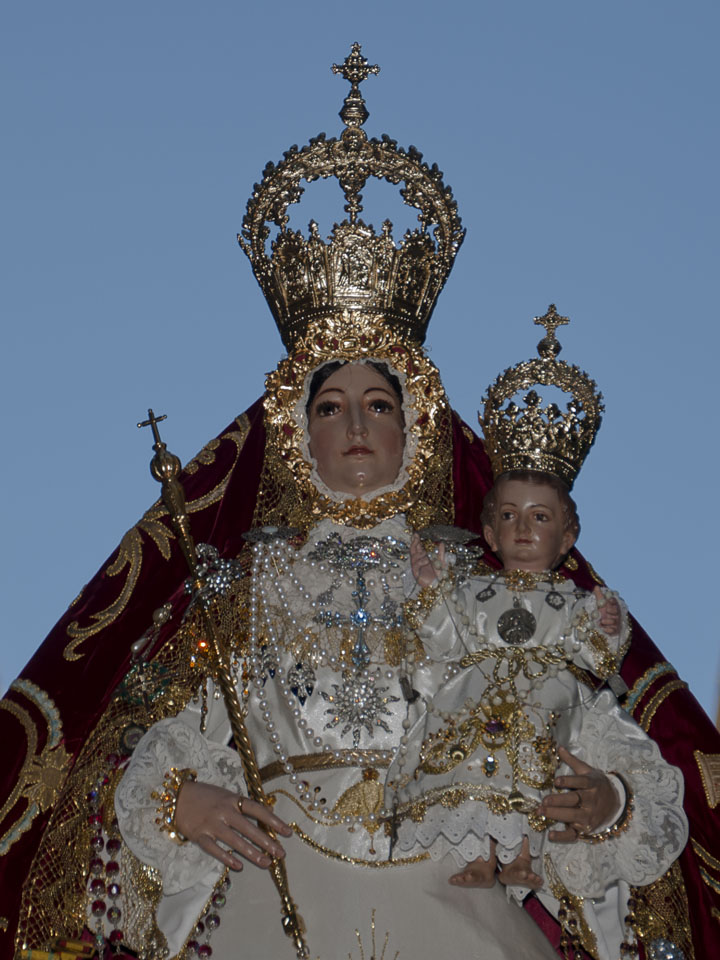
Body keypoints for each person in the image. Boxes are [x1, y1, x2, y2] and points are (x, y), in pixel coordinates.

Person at [2, 45, 719, 960]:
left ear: (415, 427)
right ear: (296, 433)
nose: (353, 426)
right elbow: (168, 737)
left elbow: (573, 710)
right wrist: (184, 800)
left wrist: (608, 798)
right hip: (277, 880)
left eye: (378, 405)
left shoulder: (477, 578)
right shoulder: (251, 582)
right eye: (329, 407)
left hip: (450, 881)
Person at [398, 469, 687, 960]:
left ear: (567, 539)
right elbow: (448, 634)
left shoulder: (572, 600)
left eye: (540, 517)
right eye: (510, 516)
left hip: (544, 691)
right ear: (490, 534)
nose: (523, 528)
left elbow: (597, 655)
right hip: (480, 689)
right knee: (469, 755)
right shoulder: (474, 590)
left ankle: (524, 854)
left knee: (535, 752)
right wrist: (431, 589)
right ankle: (481, 853)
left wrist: (607, 626)